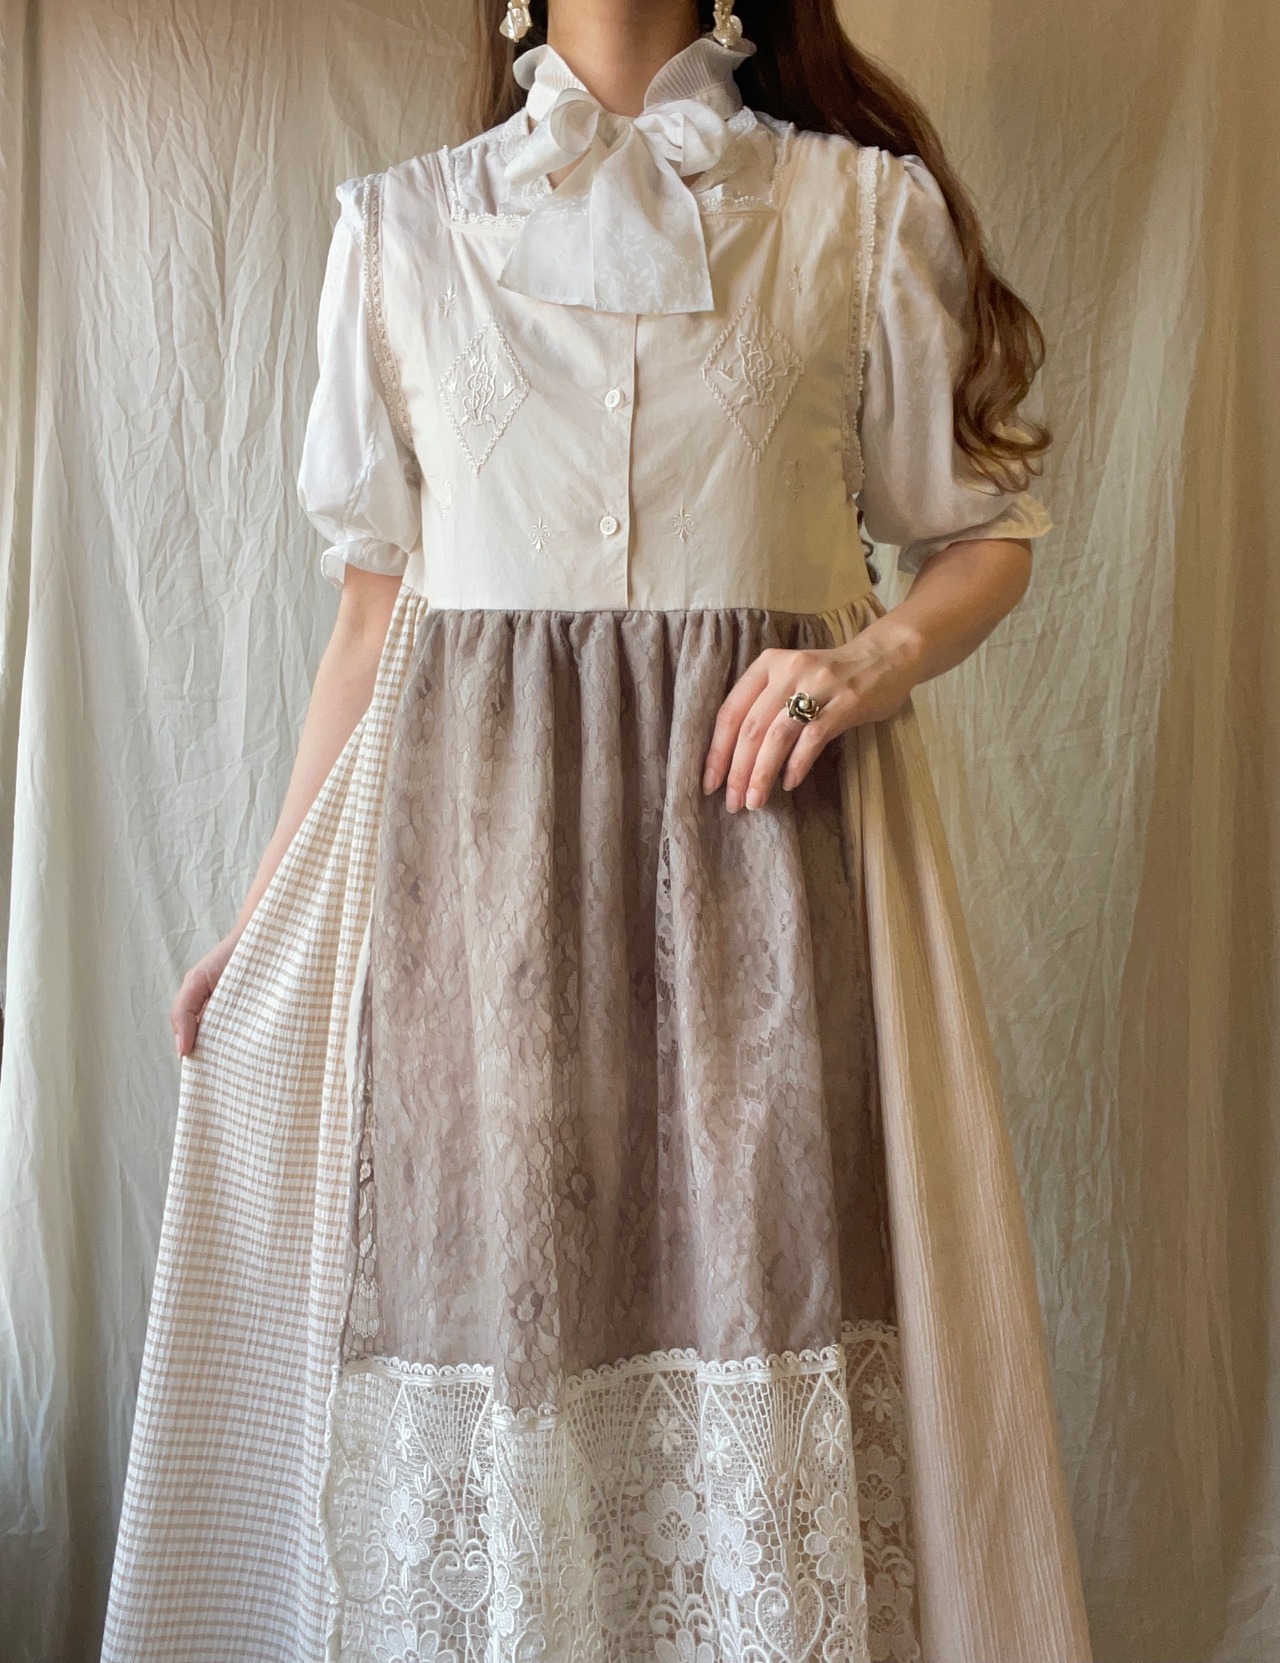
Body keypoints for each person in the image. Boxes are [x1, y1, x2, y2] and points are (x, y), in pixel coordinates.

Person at [103, 2, 1094, 1660]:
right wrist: (265, 921)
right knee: (510, 1337)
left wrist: (866, 660)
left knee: (761, 1317)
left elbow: (987, 531)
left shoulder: (855, 214)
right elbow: (369, 629)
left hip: (770, 893)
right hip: (477, 916)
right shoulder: (403, 233)